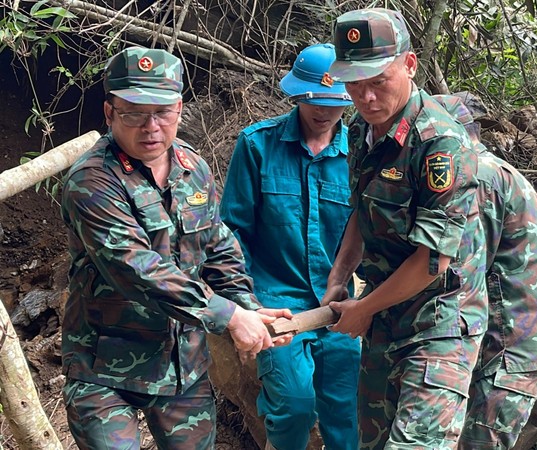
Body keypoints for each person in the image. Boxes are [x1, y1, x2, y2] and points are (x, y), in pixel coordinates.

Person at [60, 47, 292, 449]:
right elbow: (136, 267)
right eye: (134, 113)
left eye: (162, 112)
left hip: (184, 367)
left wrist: (246, 306)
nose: (151, 127)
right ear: (110, 112)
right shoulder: (92, 180)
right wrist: (229, 316)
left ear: (180, 109)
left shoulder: (192, 167)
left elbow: (218, 246)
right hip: (105, 370)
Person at [324, 8, 487, 449]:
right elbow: (363, 209)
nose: (366, 96)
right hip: (384, 317)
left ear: (410, 65)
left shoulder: (440, 144)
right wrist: (339, 276)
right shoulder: (360, 129)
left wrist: (363, 308)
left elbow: (432, 260)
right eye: (354, 83)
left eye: (379, 81)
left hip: (439, 324)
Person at [220, 43, 360, 450]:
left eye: (335, 103)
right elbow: (233, 233)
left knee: (346, 412)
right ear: (297, 94)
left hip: (339, 305)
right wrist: (245, 304)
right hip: (277, 304)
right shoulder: (257, 145)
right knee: (294, 406)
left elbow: (370, 232)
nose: (324, 112)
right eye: (315, 101)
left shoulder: (360, 156)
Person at [432, 94, 537, 450]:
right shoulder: (496, 170)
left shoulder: (476, 178)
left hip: (513, 343)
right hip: (513, 339)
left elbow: (460, 271)